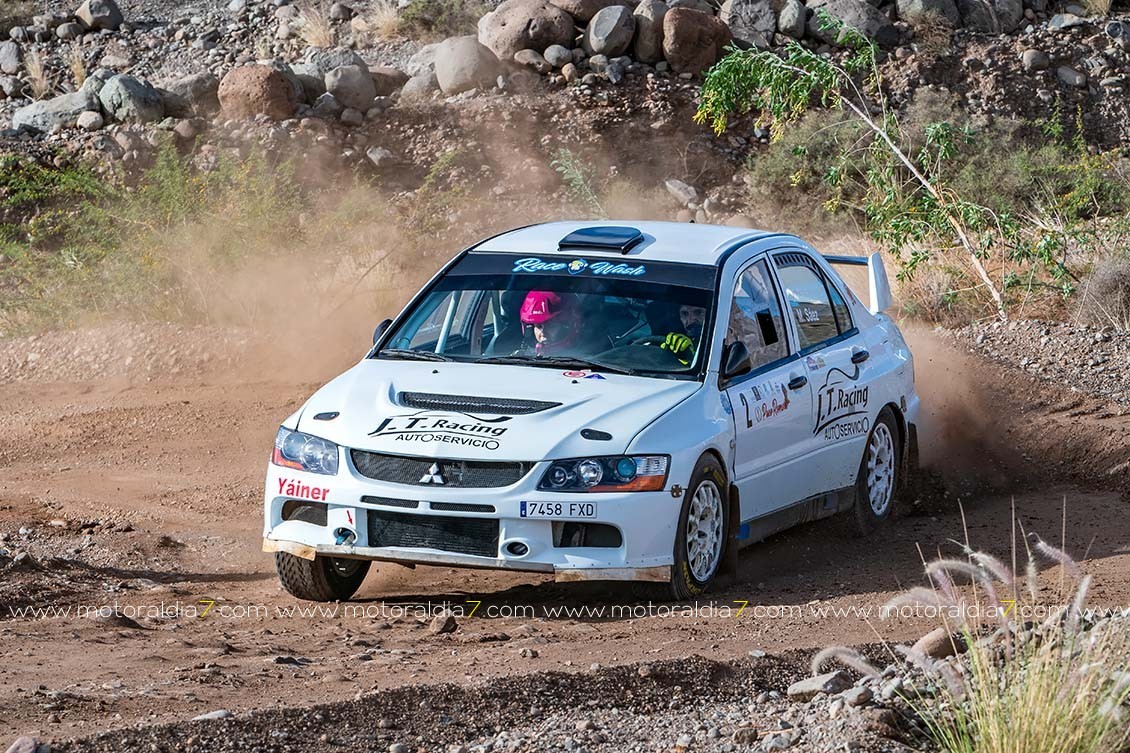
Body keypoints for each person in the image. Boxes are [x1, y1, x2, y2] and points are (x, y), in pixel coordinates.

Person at [519, 290, 582, 356]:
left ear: (567, 327)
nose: (543, 333)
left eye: (551, 326)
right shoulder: (520, 357)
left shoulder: (585, 357)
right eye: (539, 326)